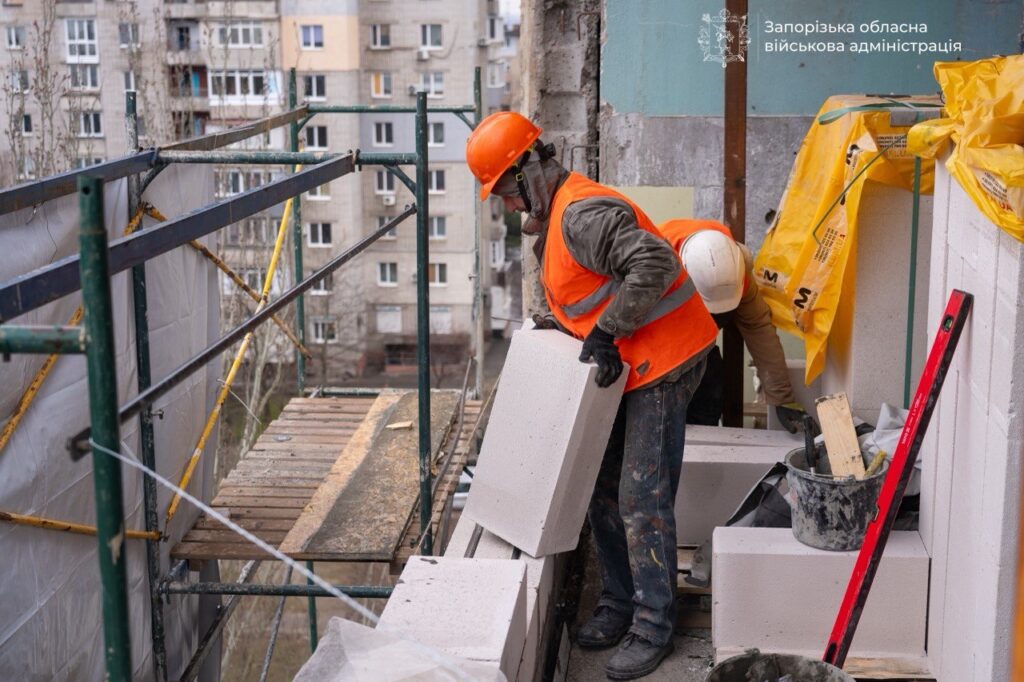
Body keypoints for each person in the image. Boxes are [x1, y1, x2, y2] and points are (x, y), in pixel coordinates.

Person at [466, 112, 718, 680]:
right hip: (632, 362)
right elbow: (586, 289)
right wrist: (569, 327)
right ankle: (619, 603)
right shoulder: (556, 218)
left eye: (505, 191)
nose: (507, 205)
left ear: (531, 167)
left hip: (667, 361)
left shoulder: (580, 213)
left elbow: (654, 261)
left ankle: (655, 624)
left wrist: (607, 331)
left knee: (640, 496)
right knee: (602, 487)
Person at [658, 219, 808, 432]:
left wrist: (782, 399)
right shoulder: (655, 265)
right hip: (661, 335)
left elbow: (759, 329)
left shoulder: (737, 267)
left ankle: (702, 450)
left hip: (698, 339)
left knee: (710, 384)